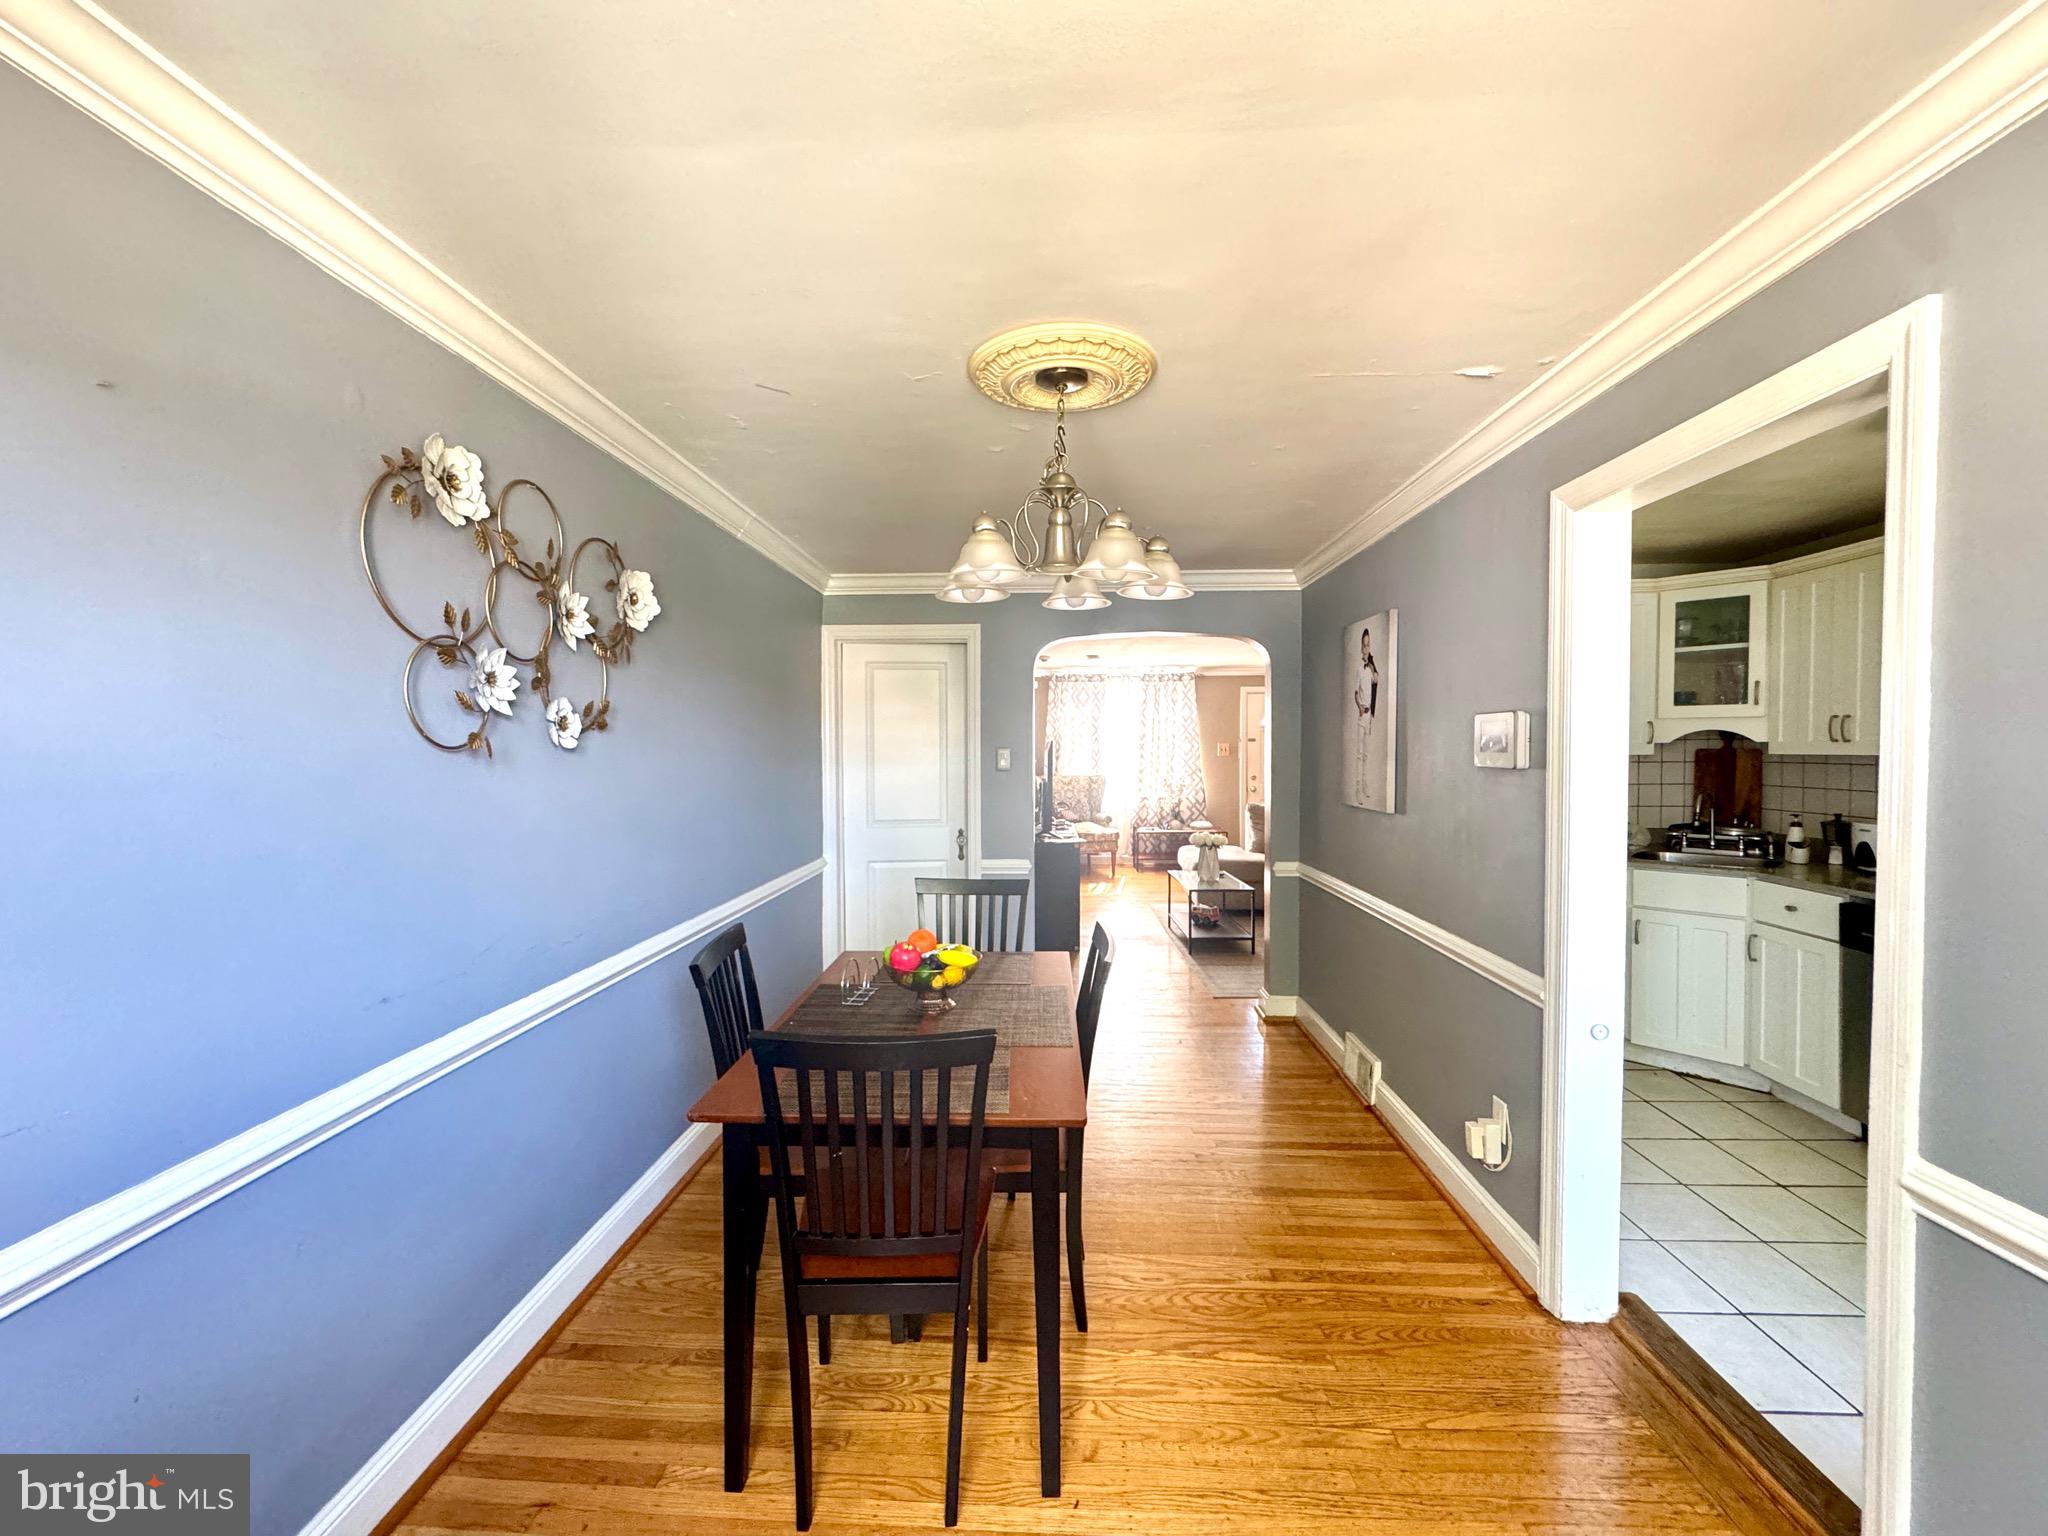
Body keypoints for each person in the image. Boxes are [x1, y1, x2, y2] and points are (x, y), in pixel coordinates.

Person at [1352, 625, 1380, 802]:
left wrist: (1372, 663)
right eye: (1364, 645)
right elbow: (1355, 692)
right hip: (1363, 713)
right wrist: (1359, 707)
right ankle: (1357, 788)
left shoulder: (1369, 669)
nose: (1366, 648)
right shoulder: (1359, 669)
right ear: (1360, 647)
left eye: (1368, 645)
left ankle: (1365, 784)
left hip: (1370, 716)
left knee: (1367, 753)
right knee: (1359, 753)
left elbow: (1377, 679)